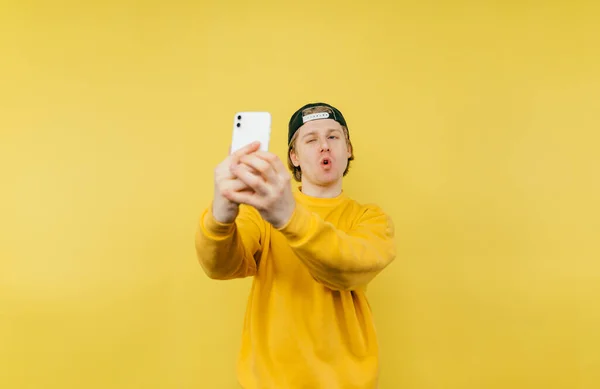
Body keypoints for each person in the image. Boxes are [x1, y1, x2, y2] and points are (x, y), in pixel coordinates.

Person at [195, 102, 396, 389]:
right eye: (311, 140)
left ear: (348, 149)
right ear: (295, 156)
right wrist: (220, 217)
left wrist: (288, 218)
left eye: (333, 137)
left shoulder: (371, 219)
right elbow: (219, 266)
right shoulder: (260, 213)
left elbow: (348, 268)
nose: (324, 146)